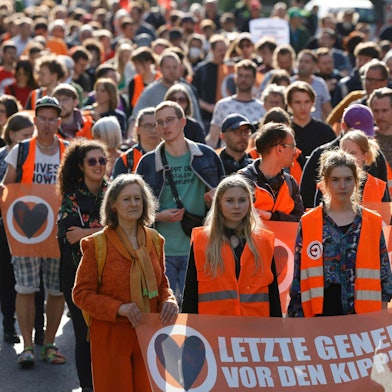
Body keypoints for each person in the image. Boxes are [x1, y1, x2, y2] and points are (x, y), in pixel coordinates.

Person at [72, 174, 178, 392]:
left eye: (138, 199)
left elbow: (162, 285)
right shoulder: (96, 244)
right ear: (113, 205)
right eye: (127, 199)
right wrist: (118, 308)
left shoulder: (155, 240)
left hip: (149, 333)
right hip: (111, 334)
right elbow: (81, 293)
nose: (134, 204)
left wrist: (169, 300)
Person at [1, 96, 68, 366]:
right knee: (25, 288)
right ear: (35, 120)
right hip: (26, 230)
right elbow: (7, 187)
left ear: (59, 121)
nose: (47, 123)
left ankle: (49, 344)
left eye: (53, 119)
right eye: (43, 118)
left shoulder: (68, 150)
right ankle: (27, 346)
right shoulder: (21, 150)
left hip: (57, 231)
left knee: (56, 289)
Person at [136, 101, 224, 304]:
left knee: (195, 314)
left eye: (169, 120)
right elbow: (133, 209)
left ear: (183, 121)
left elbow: (227, 202)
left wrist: (214, 200)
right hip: (160, 252)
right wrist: (158, 216)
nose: (165, 126)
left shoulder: (207, 156)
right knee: (162, 314)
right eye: (159, 122)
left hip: (200, 249)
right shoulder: (148, 162)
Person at [288, 149, 392, 317]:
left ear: (357, 181)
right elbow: (298, 276)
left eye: (348, 179)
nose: (342, 186)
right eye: (335, 180)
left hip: (363, 316)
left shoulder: (372, 221)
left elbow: (384, 275)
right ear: (325, 183)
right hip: (320, 314)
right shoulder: (308, 222)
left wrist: (380, 318)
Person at [182, 174, 282, 316]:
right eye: (229, 201)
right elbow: (190, 295)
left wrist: (277, 332)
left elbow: (273, 295)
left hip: (255, 331)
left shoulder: (264, 241)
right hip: (213, 331)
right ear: (219, 203)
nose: (236, 206)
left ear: (250, 203)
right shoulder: (202, 241)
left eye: (242, 200)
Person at [57, 139, 108, 392]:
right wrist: (103, 231)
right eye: (92, 161)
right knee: (83, 335)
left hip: (111, 274)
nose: (99, 165)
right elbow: (69, 237)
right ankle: (88, 386)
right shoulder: (72, 197)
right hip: (77, 276)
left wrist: (87, 232)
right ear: (81, 166)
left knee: (108, 335)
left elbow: (124, 231)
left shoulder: (116, 192)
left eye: (102, 160)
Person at [0, 113, 34, 345]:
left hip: (33, 224)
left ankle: (37, 329)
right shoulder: (2, 158)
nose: (28, 140)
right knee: (8, 277)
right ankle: (8, 326)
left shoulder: (33, 154)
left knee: (31, 279)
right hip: (6, 226)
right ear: (11, 134)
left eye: (31, 136)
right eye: (24, 136)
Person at [240, 122, 304, 222]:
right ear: (279, 149)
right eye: (292, 146)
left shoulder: (290, 182)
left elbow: (300, 221)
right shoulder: (242, 181)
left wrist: (271, 216)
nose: (295, 151)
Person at [208, 59, 265, 148]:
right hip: (226, 159)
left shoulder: (262, 108)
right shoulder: (222, 105)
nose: (243, 79)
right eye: (240, 75)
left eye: (247, 76)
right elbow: (212, 138)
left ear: (254, 79)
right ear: (235, 78)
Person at [286, 81, 336, 158]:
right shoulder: (284, 132)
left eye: (307, 102)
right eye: (297, 102)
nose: (303, 107)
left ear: (313, 103)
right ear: (289, 104)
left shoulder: (325, 131)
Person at [340, 130, 390, 202]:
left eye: (352, 153)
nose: (346, 156)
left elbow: (385, 213)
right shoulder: (326, 185)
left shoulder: (378, 187)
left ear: (365, 155)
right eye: (343, 152)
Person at [112, 107, 161, 177]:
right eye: (148, 126)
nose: (153, 130)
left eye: (156, 125)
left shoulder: (171, 154)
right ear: (138, 129)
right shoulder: (127, 159)